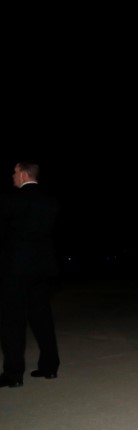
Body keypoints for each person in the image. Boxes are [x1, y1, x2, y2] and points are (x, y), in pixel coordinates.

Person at [0, 161, 61, 388]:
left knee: (12, 322)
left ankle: (13, 374)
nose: (12, 176)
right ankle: (49, 367)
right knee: (42, 318)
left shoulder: (10, 200)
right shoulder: (51, 202)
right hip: (44, 268)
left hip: (16, 269)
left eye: (15, 172)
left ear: (24, 174)